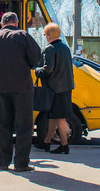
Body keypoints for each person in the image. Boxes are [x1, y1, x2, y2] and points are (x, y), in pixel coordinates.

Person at [0, 12, 41, 172]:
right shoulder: (23, 35)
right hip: (22, 87)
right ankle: (21, 163)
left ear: (1, 24)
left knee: (2, 125)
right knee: (24, 126)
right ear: (16, 22)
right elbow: (36, 59)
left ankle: (2, 161)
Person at [34, 23, 74, 154]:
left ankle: (64, 145)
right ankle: (46, 142)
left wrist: (37, 71)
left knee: (60, 118)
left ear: (49, 35)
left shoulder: (50, 49)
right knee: (52, 116)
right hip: (65, 87)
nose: (45, 37)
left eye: (45, 34)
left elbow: (48, 69)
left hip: (54, 89)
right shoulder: (65, 48)